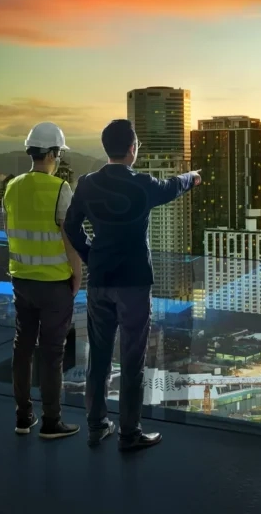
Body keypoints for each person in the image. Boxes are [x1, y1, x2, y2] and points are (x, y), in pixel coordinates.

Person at [64, 119, 201, 451]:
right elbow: (173, 186)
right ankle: (129, 432)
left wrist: (91, 255)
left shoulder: (87, 184)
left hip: (100, 282)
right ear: (132, 149)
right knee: (132, 359)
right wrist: (193, 177)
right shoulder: (142, 184)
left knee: (98, 357)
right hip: (135, 284)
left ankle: (96, 426)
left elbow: (71, 225)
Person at [3, 122, 85, 439]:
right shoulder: (60, 189)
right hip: (54, 285)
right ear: (51, 154)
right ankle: (52, 422)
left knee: (22, 348)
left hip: (21, 281)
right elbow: (69, 237)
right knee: (51, 353)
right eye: (59, 154)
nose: (60, 159)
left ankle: (23, 418)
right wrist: (77, 274)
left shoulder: (12, 187)